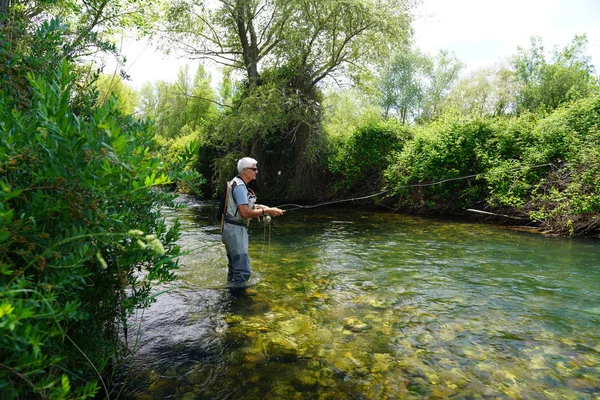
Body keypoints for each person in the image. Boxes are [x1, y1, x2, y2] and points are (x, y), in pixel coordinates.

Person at [221, 157, 284, 289]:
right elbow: (244, 212)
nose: (256, 171)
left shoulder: (237, 183)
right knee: (243, 271)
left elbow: (244, 206)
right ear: (245, 170)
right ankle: (239, 302)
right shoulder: (239, 187)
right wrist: (266, 212)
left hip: (230, 229)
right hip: (235, 230)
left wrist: (263, 207)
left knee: (234, 268)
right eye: (254, 169)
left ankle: (230, 298)